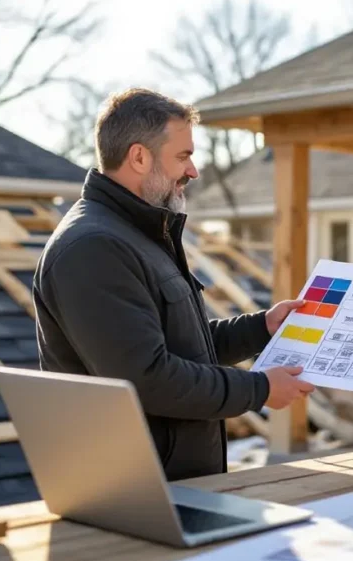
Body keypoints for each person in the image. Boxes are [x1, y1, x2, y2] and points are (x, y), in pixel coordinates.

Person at [33, 88, 314, 482]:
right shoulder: (93, 248)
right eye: (183, 156)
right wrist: (259, 389)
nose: (194, 171)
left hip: (173, 485)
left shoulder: (141, 234)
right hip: (134, 492)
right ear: (139, 156)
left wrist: (262, 327)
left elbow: (182, 347)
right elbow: (147, 377)